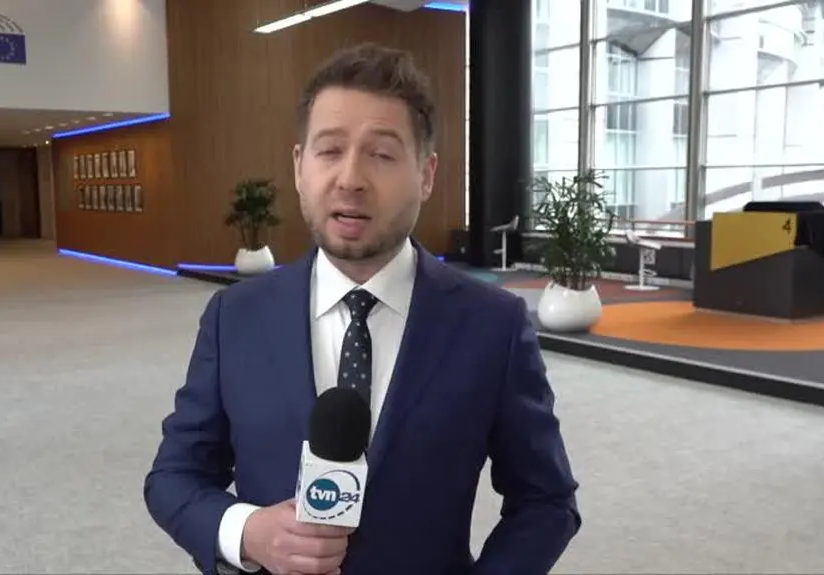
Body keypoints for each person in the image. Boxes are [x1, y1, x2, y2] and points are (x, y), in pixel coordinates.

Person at [144, 43, 581, 575]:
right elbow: (175, 476)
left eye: (381, 155)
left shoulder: (493, 325)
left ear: (426, 173)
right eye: (329, 150)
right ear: (300, 166)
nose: (350, 178)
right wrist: (246, 532)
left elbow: (546, 500)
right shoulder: (235, 316)